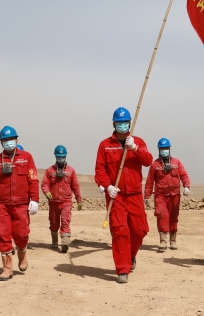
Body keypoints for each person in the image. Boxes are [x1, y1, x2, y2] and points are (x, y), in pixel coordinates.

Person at [95, 107, 153, 284]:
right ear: (114, 124)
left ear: (129, 123)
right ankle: (122, 269)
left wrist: (135, 148)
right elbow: (100, 169)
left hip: (135, 194)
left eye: (125, 123)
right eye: (119, 123)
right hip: (116, 196)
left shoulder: (138, 141)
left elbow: (148, 161)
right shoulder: (105, 145)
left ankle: (131, 255)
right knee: (120, 231)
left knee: (140, 230)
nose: (122, 125)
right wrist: (107, 186)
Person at [0, 126, 40, 281]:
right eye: (5, 140)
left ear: (16, 139)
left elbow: (33, 179)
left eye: (11, 139)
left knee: (21, 234)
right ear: (1, 142)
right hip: (2, 205)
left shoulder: (27, 157)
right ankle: (7, 269)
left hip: (21, 204)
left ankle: (22, 251)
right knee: (3, 234)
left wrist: (34, 199)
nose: (8, 142)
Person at [144, 138, 191, 252]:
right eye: (162, 148)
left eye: (166, 148)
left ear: (169, 149)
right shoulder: (155, 165)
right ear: (159, 150)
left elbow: (184, 175)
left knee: (173, 217)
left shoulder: (176, 162)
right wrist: (147, 195)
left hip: (174, 195)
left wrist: (186, 186)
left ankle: (173, 240)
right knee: (162, 216)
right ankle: (163, 241)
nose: (164, 150)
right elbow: (150, 181)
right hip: (160, 195)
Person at [41, 145, 82, 253]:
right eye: (59, 157)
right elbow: (45, 184)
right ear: (55, 157)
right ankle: (55, 241)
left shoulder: (71, 171)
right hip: (53, 203)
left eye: (62, 157)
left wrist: (79, 200)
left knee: (65, 221)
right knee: (54, 223)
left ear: (65, 156)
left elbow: (75, 186)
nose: (61, 159)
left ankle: (65, 242)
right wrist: (47, 192)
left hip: (66, 202)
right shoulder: (49, 171)